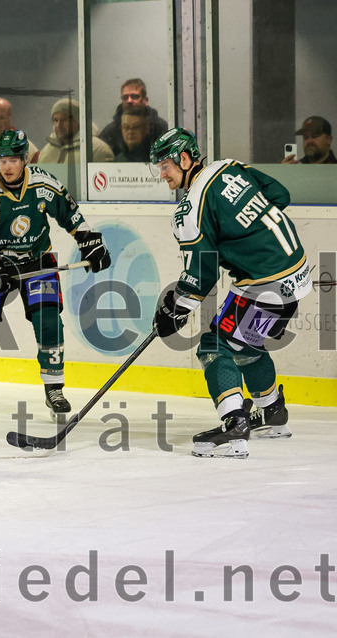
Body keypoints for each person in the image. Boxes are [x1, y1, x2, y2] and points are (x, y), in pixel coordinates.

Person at [150, 127, 312, 458]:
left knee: (215, 345)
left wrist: (174, 310)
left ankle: (235, 426)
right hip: (296, 273)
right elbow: (279, 195)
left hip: (264, 284)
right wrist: (245, 240)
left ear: (184, 159)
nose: (162, 174)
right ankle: (272, 414)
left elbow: (201, 275)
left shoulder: (190, 208)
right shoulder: (231, 167)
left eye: (165, 166)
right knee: (244, 342)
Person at [0, 130, 112, 419]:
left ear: (24, 160)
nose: (6, 166)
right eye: (1, 160)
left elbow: (70, 213)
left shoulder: (44, 183)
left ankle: (54, 389)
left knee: (48, 321)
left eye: (13, 160)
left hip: (38, 262)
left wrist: (88, 240)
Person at [98, 78, 170, 157]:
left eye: (134, 96)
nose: (129, 101)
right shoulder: (111, 131)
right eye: (125, 97)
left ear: (145, 100)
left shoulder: (160, 127)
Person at [36, 98, 115, 164]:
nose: (58, 125)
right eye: (55, 120)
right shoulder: (45, 152)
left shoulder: (97, 150)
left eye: (64, 120)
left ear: (78, 121)